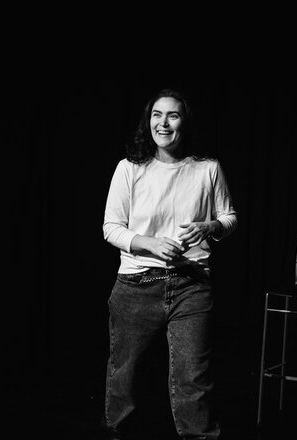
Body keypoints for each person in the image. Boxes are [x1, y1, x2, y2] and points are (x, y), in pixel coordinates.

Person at [102, 88, 238, 440]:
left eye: (172, 115)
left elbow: (229, 217)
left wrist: (210, 226)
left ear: (184, 123)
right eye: (156, 115)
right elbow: (111, 227)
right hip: (136, 284)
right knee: (125, 375)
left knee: (193, 377)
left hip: (191, 284)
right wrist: (150, 243)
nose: (163, 123)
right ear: (147, 122)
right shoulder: (130, 169)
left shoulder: (207, 169)